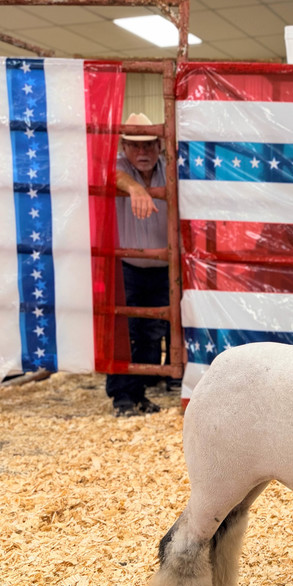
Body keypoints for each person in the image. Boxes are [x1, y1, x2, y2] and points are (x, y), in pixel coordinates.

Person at [107, 112, 169, 417]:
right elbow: (109, 173)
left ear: (160, 145)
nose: (142, 153)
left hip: (161, 267)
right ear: (124, 147)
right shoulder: (119, 167)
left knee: (151, 333)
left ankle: (140, 394)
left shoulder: (169, 170)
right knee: (126, 331)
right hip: (128, 266)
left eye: (148, 146)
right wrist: (135, 187)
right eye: (134, 146)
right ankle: (123, 398)